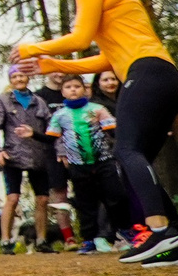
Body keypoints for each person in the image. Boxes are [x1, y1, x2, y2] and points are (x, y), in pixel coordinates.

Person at [16, 0, 178, 266]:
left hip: (146, 74)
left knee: (127, 150)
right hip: (160, 75)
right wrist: (51, 65)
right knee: (134, 157)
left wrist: (31, 47)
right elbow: (106, 57)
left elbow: (80, 37)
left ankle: (160, 230)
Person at [0, 66, 66, 253]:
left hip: (39, 156)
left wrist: (60, 151)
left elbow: (53, 129)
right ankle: (6, 241)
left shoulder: (39, 102)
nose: (19, 79)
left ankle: (41, 240)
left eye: (22, 75)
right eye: (15, 76)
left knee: (43, 199)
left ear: (28, 78)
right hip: (12, 156)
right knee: (12, 198)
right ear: (10, 80)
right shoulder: (3, 101)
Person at [47, 74, 125, 252]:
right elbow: (50, 137)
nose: (73, 89)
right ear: (62, 91)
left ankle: (123, 232)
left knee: (115, 196)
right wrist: (32, 135)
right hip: (78, 165)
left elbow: (113, 131)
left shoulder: (97, 109)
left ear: (85, 89)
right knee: (85, 203)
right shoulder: (59, 115)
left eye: (77, 86)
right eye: (68, 87)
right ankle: (89, 239)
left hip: (104, 160)